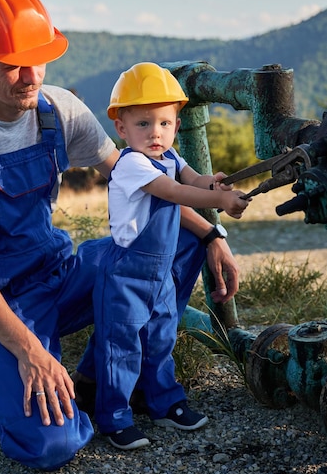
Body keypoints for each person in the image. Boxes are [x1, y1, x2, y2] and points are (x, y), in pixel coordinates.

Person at [0, 0, 244, 471]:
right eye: (12, 64)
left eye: (37, 59)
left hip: (60, 273)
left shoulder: (57, 110)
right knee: (53, 445)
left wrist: (212, 234)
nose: (30, 77)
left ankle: (99, 377)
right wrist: (30, 352)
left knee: (178, 239)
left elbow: (142, 181)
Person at [75, 62, 249, 450]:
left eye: (165, 124)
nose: (156, 133)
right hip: (126, 272)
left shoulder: (169, 158)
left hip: (159, 273)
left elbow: (193, 180)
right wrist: (219, 200)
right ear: (121, 128)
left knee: (160, 339)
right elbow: (176, 193)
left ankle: (164, 403)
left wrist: (216, 182)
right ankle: (114, 417)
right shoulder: (133, 164)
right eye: (144, 124)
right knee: (121, 346)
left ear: (175, 124)